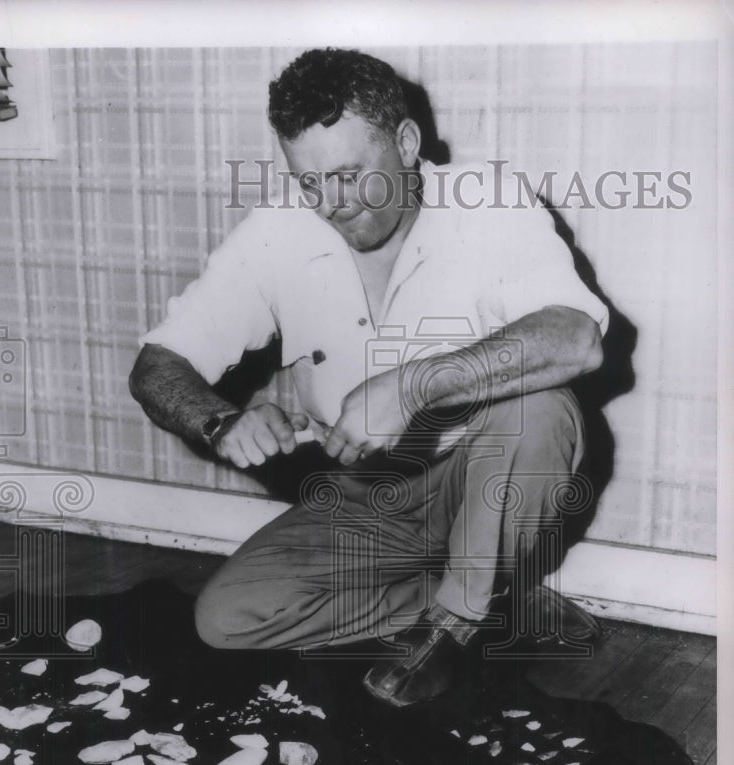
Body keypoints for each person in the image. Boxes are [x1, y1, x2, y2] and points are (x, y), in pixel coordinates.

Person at [129, 48, 607, 707]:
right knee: (225, 618)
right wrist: (219, 420)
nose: (332, 204)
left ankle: (453, 624)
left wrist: (412, 386)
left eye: (349, 175)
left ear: (406, 143)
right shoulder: (277, 230)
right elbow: (157, 365)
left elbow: (576, 339)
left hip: (481, 480)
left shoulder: (487, 202)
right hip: (363, 497)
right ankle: (495, 600)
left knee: (542, 407)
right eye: (310, 183)